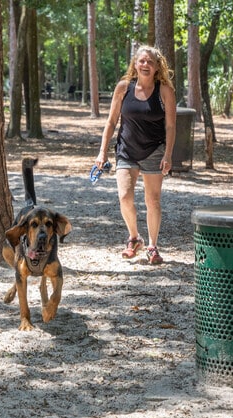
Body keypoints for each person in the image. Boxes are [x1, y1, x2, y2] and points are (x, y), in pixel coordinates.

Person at [94, 45, 176, 265]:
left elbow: (170, 127)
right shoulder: (123, 88)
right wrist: (102, 152)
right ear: (135, 64)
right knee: (125, 197)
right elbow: (111, 122)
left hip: (154, 150)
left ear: (157, 66)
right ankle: (133, 238)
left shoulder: (165, 91)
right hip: (127, 150)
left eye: (150, 61)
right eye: (142, 61)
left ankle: (152, 246)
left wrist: (168, 154)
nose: (145, 65)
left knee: (153, 200)